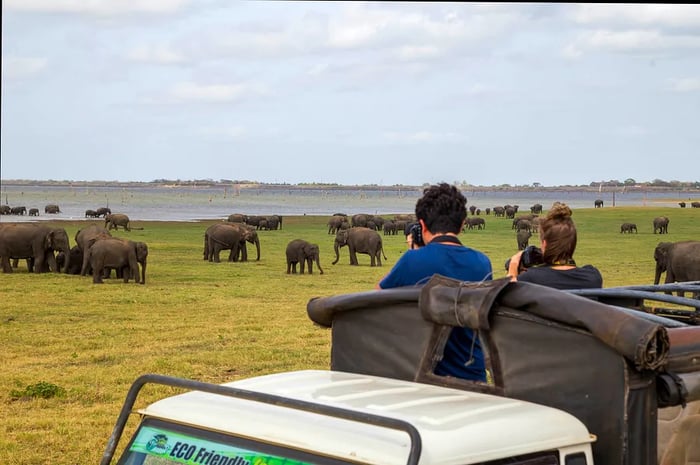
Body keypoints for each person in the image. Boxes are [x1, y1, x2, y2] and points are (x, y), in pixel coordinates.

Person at [376, 183, 493, 382]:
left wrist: (414, 252)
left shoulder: (412, 260)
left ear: (422, 225)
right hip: (471, 376)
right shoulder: (482, 263)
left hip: (421, 375)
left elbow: (376, 299)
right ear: (463, 224)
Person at [506, 202, 603, 289]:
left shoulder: (531, 278)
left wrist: (513, 266)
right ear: (573, 244)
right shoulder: (592, 277)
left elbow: (509, 293)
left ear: (544, 244)